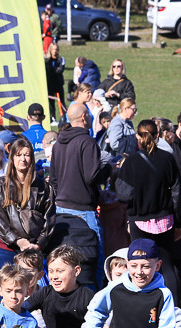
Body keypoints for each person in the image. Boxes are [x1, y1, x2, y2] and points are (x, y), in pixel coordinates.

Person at [117, 119, 181, 302]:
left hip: (139, 220)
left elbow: (122, 194)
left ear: (138, 136)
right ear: (158, 136)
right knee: (167, 266)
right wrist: (178, 222)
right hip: (165, 220)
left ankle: (143, 304)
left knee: (140, 266)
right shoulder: (168, 159)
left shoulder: (131, 162)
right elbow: (177, 193)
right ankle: (174, 309)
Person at [50, 102, 111, 284]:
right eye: (89, 114)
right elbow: (92, 176)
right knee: (94, 260)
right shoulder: (87, 142)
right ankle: (94, 305)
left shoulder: (58, 144)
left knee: (65, 263)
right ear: (84, 117)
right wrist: (108, 169)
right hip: (83, 210)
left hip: (61, 209)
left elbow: (53, 179)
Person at [0, 138, 54, 295]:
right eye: (19, 155)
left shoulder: (43, 188)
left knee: (34, 294)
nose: (22, 159)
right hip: (7, 248)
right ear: (12, 157)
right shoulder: (0, 186)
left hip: (33, 250)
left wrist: (38, 244)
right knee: (6, 294)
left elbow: (49, 220)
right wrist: (17, 240)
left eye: (26, 155)